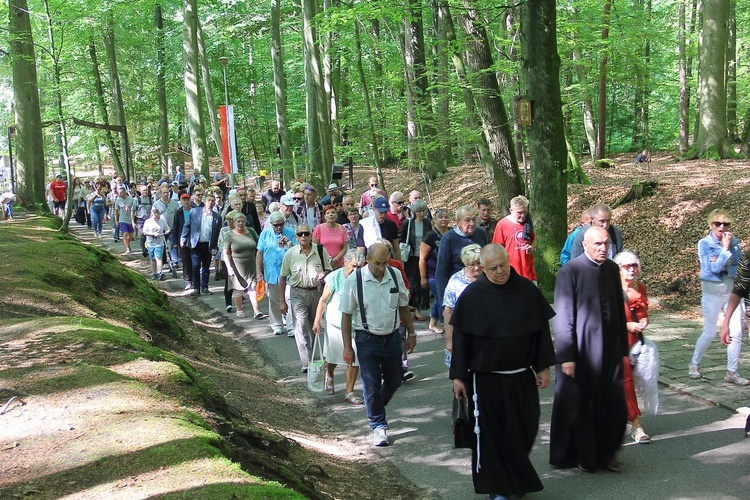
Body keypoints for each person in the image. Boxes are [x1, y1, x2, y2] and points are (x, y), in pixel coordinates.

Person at [450, 244, 555, 499]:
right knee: (492, 434)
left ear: (509, 261)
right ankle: (499, 488)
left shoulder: (527, 290)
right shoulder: (473, 295)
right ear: (483, 269)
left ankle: (514, 479)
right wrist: (458, 377)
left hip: (520, 377)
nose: (500, 272)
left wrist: (542, 366)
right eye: (493, 268)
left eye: (503, 265)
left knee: (525, 428)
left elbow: (540, 332)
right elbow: (461, 340)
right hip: (485, 382)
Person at [549, 226, 628, 473]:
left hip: (610, 351)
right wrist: (567, 356)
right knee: (581, 406)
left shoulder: (613, 269)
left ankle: (607, 452)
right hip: (581, 351)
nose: (603, 248)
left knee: (613, 404)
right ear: (585, 245)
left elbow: (617, 309)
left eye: (606, 244)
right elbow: (563, 316)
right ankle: (583, 456)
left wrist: (624, 349)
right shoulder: (570, 271)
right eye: (598, 244)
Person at [340, 243, 416, 447]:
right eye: (377, 264)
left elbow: (403, 305)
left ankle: (375, 406)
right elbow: (346, 315)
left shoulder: (394, 274)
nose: (381, 268)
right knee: (371, 384)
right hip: (366, 338)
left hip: (392, 336)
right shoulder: (355, 280)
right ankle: (378, 425)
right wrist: (347, 346)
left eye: (384, 263)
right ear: (367, 261)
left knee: (395, 379)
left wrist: (411, 332)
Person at [689, 209, 745, 383]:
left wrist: (723, 258)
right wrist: (725, 250)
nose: (722, 227)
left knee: (737, 331)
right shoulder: (704, 244)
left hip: (731, 291)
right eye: (717, 224)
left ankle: (731, 372)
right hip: (711, 292)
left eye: (726, 224)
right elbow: (711, 269)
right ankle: (694, 363)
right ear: (711, 225)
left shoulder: (735, 242)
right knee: (710, 332)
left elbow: (736, 267)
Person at [312, 249, 366, 404]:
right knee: (333, 357)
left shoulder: (364, 279)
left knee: (354, 358)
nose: (356, 270)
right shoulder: (334, 277)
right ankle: (329, 373)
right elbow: (323, 300)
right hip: (335, 324)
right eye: (354, 266)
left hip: (355, 325)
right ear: (345, 263)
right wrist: (317, 321)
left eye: (360, 267)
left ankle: (349, 392)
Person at [279, 224, 333, 372]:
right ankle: (306, 362)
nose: (303, 236)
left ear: (311, 235)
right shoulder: (290, 253)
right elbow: (283, 277)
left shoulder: (320, 250)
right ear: (296, 237)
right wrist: (282, 301)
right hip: (297, 293)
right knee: (300, 326)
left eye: (306, 234)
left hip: (316, 293)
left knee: (314, 326)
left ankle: (316, 358)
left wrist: (325, 274)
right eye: (300, 234)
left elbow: (330, 269)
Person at [614, 251, 652, 443]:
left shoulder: (641, 288)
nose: (631, 270)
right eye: (627, 266)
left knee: (632, 383)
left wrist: (643, 322)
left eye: (634, 266)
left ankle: (622, 416)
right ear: (618, 269)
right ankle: (636, 425)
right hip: (617, 342)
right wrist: (626, 325)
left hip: (637, 343)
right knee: (626, 381)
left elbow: (644, 313)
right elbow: (606, 319)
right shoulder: (611, 290)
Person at [434, 206, 487, 315]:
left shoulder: (481, 233)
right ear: (458, 222)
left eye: (474, 219)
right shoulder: (449, 238)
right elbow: (441, 272)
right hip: (459, 291)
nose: (472, 223)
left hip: (482, 289)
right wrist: (444, 304)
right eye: (467, 220)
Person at [256, 211, 297, 335]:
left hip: (289, 273)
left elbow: (298, 251)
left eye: (281, 224)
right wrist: (258, 271)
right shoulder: (265, 234)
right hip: (272, 272)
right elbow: (259, 253)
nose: (278, 227)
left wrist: (288, 244)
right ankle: (277, 325)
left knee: (289, 298)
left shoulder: (291, 232)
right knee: (274, 299)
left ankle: (291, 326)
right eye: (276, 225)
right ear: (271, 224)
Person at [442, 244, 482, 367]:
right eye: (472, 264)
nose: (476, 268)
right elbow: (448, 310)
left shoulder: (489, 278)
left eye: (479, 263)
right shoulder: (456, 281)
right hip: (463, 334)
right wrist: (449, 341)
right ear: (465, 263)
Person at [223, 212, 266, 319]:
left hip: (251, 265)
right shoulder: (229, 235)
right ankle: (239, 310)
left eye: (243, 221)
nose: (241, 223)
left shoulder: (251, 231)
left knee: (253, 288)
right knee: (238, 290)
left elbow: (260, 245)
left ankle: (256, 310)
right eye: (238, 221)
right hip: (237, 267)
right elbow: (225, 253)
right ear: (234, 223)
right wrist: (229, 267)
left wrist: (261, 263)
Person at [181, 192, 222, 296]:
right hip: (196, 243)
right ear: (205, 201)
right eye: (209, 200)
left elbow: (217, 233)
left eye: (213, 201)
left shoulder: (217, 217)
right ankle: (196, 288)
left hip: (208, 245)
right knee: (195, 266)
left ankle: (204, 287)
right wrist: (183, 238)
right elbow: (187, 225)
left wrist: (216, 246)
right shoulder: (194, 212)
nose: (211, 202)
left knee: (206, 267)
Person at [399, 199, 432, 321]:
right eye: (419, 211)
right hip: (411, 257)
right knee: (413, 283)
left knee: (423, 283)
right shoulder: (408, 223)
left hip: (424, 257)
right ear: (414, 212)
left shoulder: (427, 223)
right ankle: (408, 306)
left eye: (423, 211)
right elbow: (401, 238)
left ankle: (418, 310)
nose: (421, 214)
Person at [492, 195, 537, 282]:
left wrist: (532, 247)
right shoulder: (502, 224)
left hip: (528, 272)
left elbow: (534, 240)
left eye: (525, 212)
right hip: (510, 272)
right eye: (519, 213)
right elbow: (496, 249)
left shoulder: (528, 222)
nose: (523, 215)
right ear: (511, 210)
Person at [420, 207, 450, 333]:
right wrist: (423, 277)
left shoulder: (451, 232)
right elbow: (422, 259)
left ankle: (432, 323)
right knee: (441, 299)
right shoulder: (430, 236)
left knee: (442, 299)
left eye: (445, 217)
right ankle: (445, 324)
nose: (443, 219)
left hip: (448, 273)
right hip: (433, 274)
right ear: (435, 221)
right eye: (440, 217)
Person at [172, 193, 194, 291]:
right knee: (186, 261)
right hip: (183, 240)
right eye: (183, 200)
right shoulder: (179, 212)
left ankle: (195, 280)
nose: (186, 201)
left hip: (194, 239)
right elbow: (175, 227)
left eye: (187, 199)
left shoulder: (195, 210)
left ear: (190, 200)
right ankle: (187, 281)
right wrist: (175, 242)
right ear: (181, 201)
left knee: (195, 261)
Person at [142, 208, 171, 281]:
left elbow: (167, 229)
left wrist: (166, 232)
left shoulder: (162, 221)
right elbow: (144, 232)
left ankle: (159, 272)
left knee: (158, 257)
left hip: (159, 243)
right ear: (152, 215)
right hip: (150, 243)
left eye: (158, 217)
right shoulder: (148, 222)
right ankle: (154, 273)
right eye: (155, 218)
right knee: (153, 259)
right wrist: (153, 234)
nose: (157, 219)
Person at [114, 187, 137, 254]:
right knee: (125, 233)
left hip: (130, 219)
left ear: (125, 192)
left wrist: (133, 221)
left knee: (131, 236)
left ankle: (127, 243)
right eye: (119, 193)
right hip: (122, 219)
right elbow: (116, 211)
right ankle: (127, 248)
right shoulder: (118, 200)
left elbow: (133, 210)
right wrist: (116, 220)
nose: (121, 194)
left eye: (122, 193)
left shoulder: (131, 199)